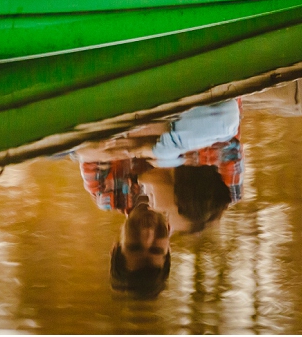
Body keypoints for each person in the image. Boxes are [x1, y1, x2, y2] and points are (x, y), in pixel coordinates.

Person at [72, 100, 243, 297]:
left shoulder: (107, 193)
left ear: (117, 245)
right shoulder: (214, 201)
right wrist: (152, 147)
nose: (146, 234)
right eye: (155, 249)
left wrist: (152, 142)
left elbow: (83, 144)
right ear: (168, 250)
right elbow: (225, 137)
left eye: (134, 246)